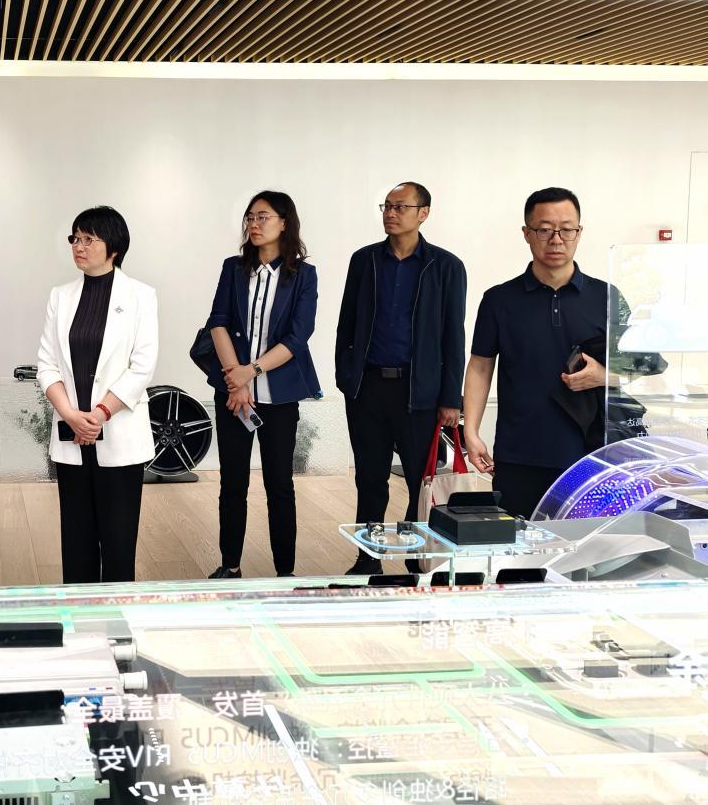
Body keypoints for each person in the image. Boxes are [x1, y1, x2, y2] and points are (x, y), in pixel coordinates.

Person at [335, 182, 467, 575]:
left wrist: (451, 398)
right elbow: (347, 324)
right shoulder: (364, 261)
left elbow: (454, 336)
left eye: (400, 207)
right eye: (387, 206)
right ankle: (368, 558)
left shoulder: (446, 266)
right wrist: (346, 376)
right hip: (368, 388)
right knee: (369, 478)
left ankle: (415, 558)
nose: (391, 214)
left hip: (419, 392)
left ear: (423, 213)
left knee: (419, 481)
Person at [463, 188, 614, 517]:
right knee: (517, 542)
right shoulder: (499, 300)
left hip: (590, 453)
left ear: (579, 232)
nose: (556, 240)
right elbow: (480, 366)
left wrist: (605, 376)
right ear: (527, 233)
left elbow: (641, 368)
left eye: (567, 229)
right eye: (545, 229)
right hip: (519, 452)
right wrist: (470, 431)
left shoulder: (607, 297)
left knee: (583, 543)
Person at [36, 206, 158, 584]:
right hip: (72, 433)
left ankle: (118, 614)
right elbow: (47, 364)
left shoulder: (141, 296)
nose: (79, 246)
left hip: (118, 431)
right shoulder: (61, 296)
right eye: (75, 238)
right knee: (76, 542)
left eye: (89, 239)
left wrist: (101, 413)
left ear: (114, 247)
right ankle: (79, 613)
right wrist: (72, 415)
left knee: (119, 544)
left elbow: (142, 366)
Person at [202, 191, 320, 579]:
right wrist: (235, 380)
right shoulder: (233, 269)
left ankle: (285, 573)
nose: (254, 224)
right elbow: (218, 322)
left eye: (263, 217)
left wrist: (249, 372)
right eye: (250, 217)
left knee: (279, 485)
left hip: (278, 395)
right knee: (232, 484)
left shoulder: (303, 276)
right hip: (233, 395)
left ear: (284, 223)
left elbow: (298, 337)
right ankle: (230, 566)